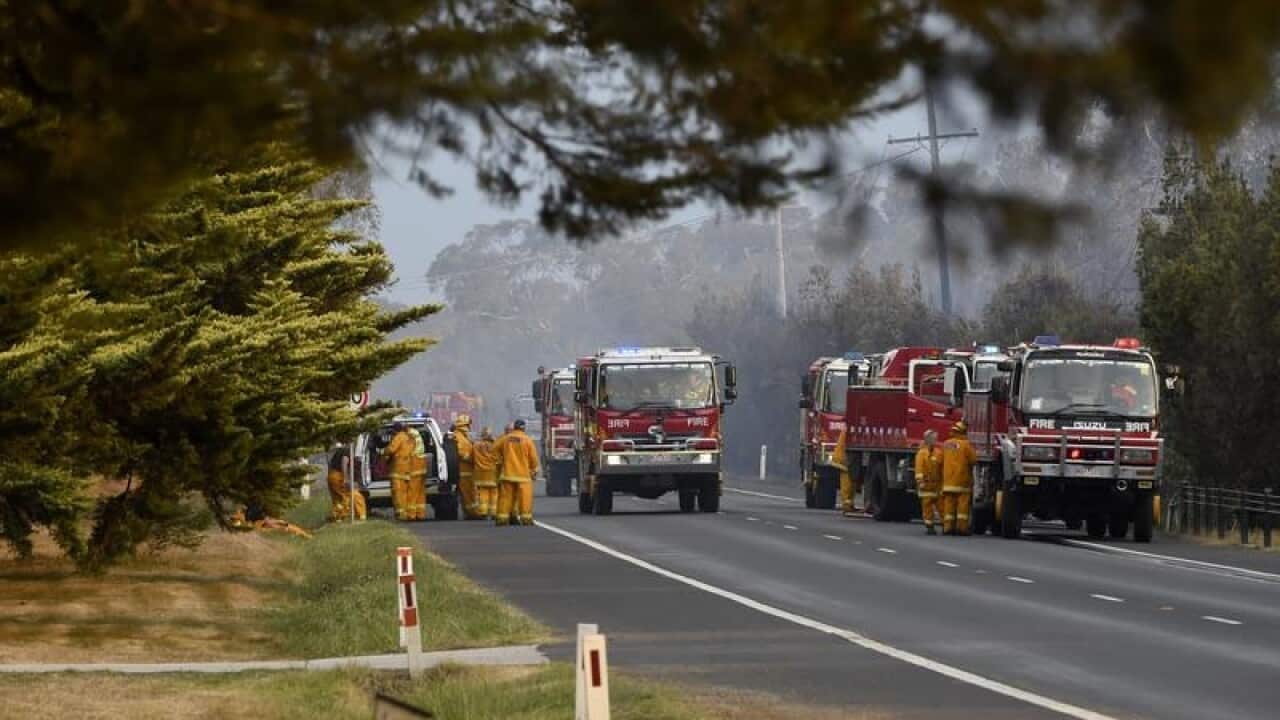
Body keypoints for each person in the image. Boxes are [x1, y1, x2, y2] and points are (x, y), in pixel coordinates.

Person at [493, 419, 540, 526]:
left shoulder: (505, 439)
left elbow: (493, 450)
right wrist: (534, 470)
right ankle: (526, 519)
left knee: (505, 497)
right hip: (523, 475)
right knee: (525, 498)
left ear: (514, 427)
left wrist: (500, 461)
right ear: (524, 428)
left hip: (508, 474)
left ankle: (502, 519)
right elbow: (533, 458)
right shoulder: (527, 440)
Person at [940, 421, 978, 536]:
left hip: (948, 481)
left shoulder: (945, 444)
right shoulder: (966, 445)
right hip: (962, 481)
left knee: (949, 506)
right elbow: (973, 460)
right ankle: (961, 528)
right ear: (963, 432)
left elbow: (940, 460)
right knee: (962, 507)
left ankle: (948, 528)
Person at [382, 422, 416, 521]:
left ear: (395, 430)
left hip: (398, 469)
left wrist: (384, 451)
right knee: (405, 492)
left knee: (397, 492)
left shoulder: (399, 437)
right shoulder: (409, 438)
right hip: (407, 468)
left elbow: (391, 449)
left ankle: (400, 514)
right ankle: (406, 513)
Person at [913, 430, 943, 535]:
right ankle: (930, 526)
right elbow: (919, 469)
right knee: (927, 507)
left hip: (937, 486)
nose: (935, 440)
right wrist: (920, 482)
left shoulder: (939, 452)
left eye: (935, 438)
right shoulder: (921, 453)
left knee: (942, 506)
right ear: (927, 439)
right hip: (926, 486)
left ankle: (946, 525)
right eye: (933, 438)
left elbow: (942, 468)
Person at [327, 444, 367, 522]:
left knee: (338, 499)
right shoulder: (347, 450)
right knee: (353, 495)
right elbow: (344, 461)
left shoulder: (339, 451)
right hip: (338, 476)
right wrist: (345, 479)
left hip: (331, 476)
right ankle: (361, 515)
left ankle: (337, 518)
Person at [832, 428, 862, 516]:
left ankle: (849, 504)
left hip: (845, 459)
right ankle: (846, 505)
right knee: (847, 484)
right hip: (843, 460)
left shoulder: (849, 430)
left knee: (851, 483)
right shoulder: (849, 431)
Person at [471, 427, 500, 519]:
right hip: (492, 471)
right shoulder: (494, 445)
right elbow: (497, 458)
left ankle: (483, 511)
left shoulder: (476, 445)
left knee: (483, 492)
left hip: (480, 472)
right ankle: (494, 512)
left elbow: (472, 457)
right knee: (494, 492)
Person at [454, 414, 479, 519]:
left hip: (467, 471)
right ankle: (473, 513)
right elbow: (460, 452)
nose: (469, 428)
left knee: (468, 493)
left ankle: (469, 513)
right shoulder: (458, 437)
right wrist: (471, 459)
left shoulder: (463, 437)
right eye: (468, 425)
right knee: (468, 494)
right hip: (464, 471)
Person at [406, 424, 428, 521]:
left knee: (412, 493)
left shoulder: (410, 438)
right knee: (420, 493)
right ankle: (420, 514)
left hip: (414, 469)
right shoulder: (418, 436)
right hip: (422, 468)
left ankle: (411, 514)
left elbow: (404, 453)